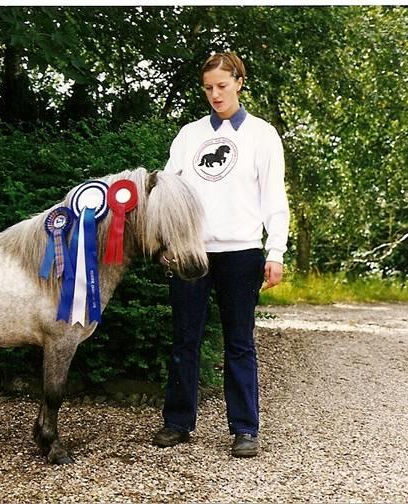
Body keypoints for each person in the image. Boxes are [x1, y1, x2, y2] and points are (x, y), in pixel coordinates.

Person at [152, 52, 290, 457]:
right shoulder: (190, 135)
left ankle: (245, 428)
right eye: (208, 87)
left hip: (242, 252)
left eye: (222, 86)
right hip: (192, 251)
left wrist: (276, 250)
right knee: (184, 339)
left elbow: (274, 198)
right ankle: (177, 422)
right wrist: (167, 240)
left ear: (239, 83)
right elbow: (169, 191)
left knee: (240, 342)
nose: (215, 94)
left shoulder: (263, 135)